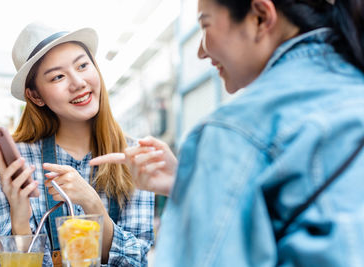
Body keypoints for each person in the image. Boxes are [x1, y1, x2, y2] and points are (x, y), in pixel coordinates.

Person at [91, 0, 364, 266]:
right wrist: (191, 185)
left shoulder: (230, 132)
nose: (201, 50)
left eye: (205, 25)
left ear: (259, 16)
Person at [0, 22, 154, 266]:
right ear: (35, 96)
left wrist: (93, 206)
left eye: (83, 65)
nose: (78, 82)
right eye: (58, 76)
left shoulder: (135, 156)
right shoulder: (17, 161)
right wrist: (20, 220)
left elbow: (138, 260)